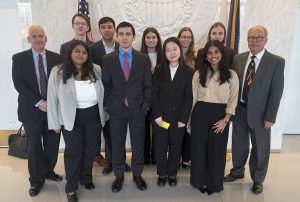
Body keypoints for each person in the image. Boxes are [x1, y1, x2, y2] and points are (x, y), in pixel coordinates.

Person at [224, 25, 285, 195]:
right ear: (247, 40)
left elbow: (276, 91)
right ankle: (237, 171)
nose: (255, 41)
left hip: (261, 115)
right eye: (251, 37)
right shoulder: (238, 58)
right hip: (240, 110)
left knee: (260, 147)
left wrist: (270, 117)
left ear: (266, 39)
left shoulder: (276, 62)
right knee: (238, 143)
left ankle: (258, 179)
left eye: (259, 37)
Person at [47, 40, 105, 202]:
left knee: (91, 149)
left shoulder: (96, 69)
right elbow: (52, 99)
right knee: (73, 152)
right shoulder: (58, 72)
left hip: (93, 115)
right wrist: (54, 123)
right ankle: (71, 187)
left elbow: (103, 94)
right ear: (70, 53)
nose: (81, 55)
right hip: (70, 117)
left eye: (84, 52)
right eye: (77, 51)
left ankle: (86, 178)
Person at [12, 25, 62, 197]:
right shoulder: (19, 59)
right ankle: (36, 181)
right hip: (31, 110)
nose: (38, 39)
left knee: (52, 143)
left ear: (46, 38)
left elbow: (60, 84)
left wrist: (52, 103)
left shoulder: (57, 58)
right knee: (34, 146)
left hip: (53, 109)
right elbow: (19, 84)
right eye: (34, 36)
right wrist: (40, 102)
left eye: (41, 35)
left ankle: (48, 171)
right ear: (29, 39)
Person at [102, 21, 152, 193]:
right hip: (117, 109)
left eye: (128, 34)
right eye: (121, 34)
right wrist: (109, 105)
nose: (124, 37)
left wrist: (145, 105)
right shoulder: (107, 59)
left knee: (138, 143)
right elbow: (106, 86)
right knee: (117, 143)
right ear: (116, 35)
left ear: (133, 36)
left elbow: (148, 85)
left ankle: (137, 174)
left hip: (137, 108)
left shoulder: (143, 59)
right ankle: (119, 175)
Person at [190, 40, 239, 195]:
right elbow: (192, 98)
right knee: (199, 150)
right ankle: (199, 181)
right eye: (210, 53)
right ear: (205, 56)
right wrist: (190, 120)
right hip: (200, 113)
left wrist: (226, 120)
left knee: (216, 151)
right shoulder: (198, 74)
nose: (213, 56)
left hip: (220, 116)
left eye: (216, 52)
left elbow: (233, 100)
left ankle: (213, 183)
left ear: (222, 54)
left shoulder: (232, 75)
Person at [90, 16, 131, 174]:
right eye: (103, 27)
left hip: (120, 97)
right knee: (107, 130)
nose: (107, 29)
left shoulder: (122, 46)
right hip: (100, 94)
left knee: (119, 131)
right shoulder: (93, 49)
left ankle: (120, 160)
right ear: (99, 30)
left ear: (114, 29)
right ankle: (110, 162)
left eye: (109, 26)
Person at [152, 37, 193, 187]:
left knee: (176, 146)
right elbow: (154, 94)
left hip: (178, 119)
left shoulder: (188, 71)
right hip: (161, 118)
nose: (172, 53)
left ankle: (172, 173)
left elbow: (188, 97)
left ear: (180, 50)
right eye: (168, 50)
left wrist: (184, 118)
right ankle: (162, 173)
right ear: (164, 53)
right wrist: (156, 115)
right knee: (161, 146)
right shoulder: (159, 70)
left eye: (174, 49)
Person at [140, 27, 163, 165]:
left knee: (159, 128)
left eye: (154, 37)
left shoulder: (163, 55)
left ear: (158, 39)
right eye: (148, 37)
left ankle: (156, 156)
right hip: (142, 99)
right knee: (143, 129)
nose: (151, 40)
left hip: (159, 99)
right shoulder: (138, 55)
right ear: (144, 40)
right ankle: (144, 157)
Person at [177, 27, 197, 169]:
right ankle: (175, 157)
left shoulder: (195, 58)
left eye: (189, 37)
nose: (186, 39)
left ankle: (186, 158)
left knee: (188, 128)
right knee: (176, 128)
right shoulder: (172, 55)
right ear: (178, 38)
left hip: (189, 97)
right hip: (174, 98)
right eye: (183, 36)